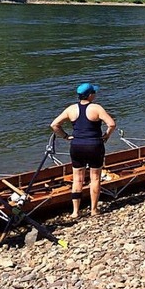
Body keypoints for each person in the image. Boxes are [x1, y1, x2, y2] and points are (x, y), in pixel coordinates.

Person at [50, 83, 116, 218]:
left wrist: (66, 136)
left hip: (77, 145)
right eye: (94, 93)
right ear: (90, 95)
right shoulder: (96, 108)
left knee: (77, 179)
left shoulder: (71, 109)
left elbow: (54, 125)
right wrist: (106, 135)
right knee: (95, 178)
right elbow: (111, 124)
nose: (95, 95)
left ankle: (75, 211)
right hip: (94, 145)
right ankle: (94, 210)